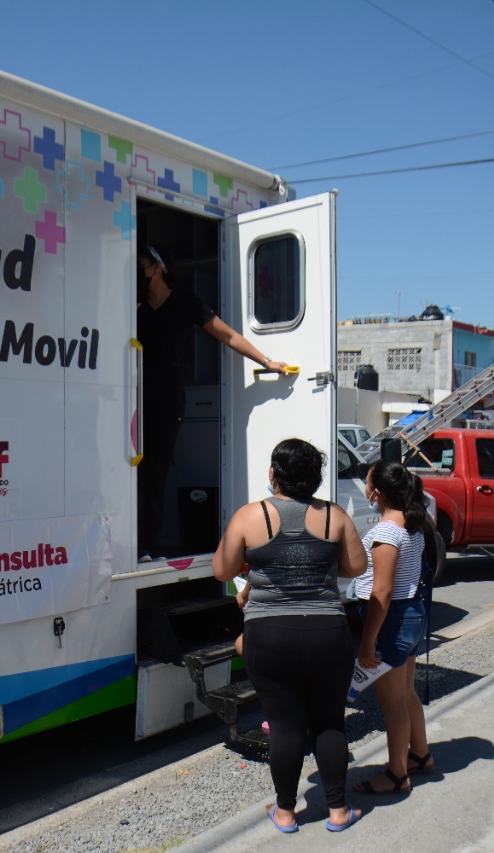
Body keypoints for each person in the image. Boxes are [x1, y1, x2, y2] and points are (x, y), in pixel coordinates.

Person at [213, 439, 368, 833]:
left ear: (273, 474)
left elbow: (221, 570)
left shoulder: (251, 516)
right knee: (330, 722)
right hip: (327, 632)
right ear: (315, 477)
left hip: (269, 634)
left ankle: (285, 812)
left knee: (284, 725)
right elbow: (355, 567)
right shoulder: (335, 517)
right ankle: (337, 810)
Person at [136, 245, 286, 560]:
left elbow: (228, 336)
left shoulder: (186, 304)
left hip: (167, 397)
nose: (138, 271)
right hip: (131, 393)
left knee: (155, 469)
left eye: (143, 265)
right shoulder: (132, 306)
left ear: (159, 266)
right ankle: (135, 541)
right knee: (131, 469)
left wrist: (266, 361)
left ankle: (147, 544)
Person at [352, 459, 436, 795]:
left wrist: (368, 641)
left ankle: (397, 774)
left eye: (368, 481)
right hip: (412, 615)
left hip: (393, 620)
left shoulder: (387, 531)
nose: (365, 487)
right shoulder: (413, 522)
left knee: (394, 704)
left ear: (379, 491)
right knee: (406, 694)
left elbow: (382, 591)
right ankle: (420, 754)